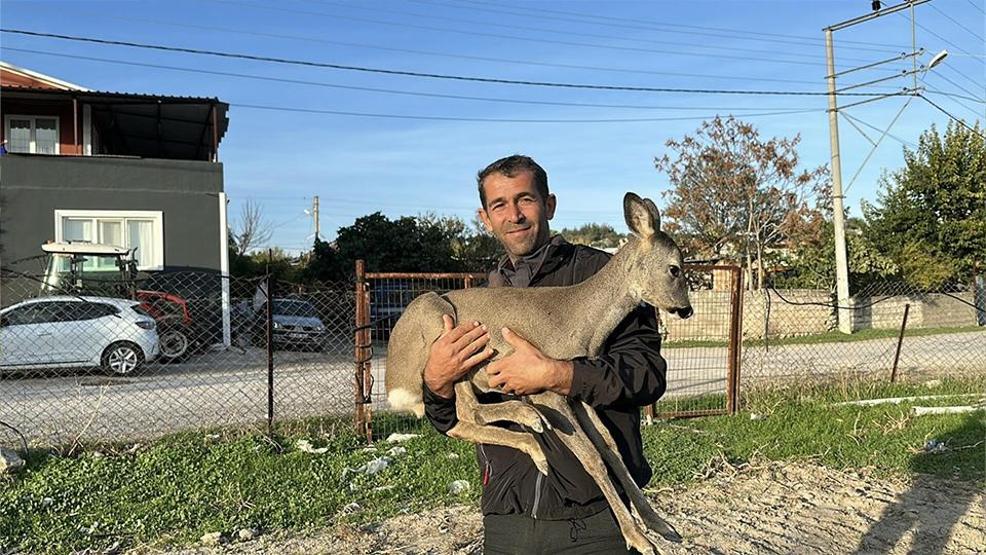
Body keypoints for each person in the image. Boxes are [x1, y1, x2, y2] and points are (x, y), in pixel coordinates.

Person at [422, 154, 668, 554]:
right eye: (499, 205)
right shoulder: (480, 300)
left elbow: (646, 375)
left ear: (549, 204)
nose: (514, 215)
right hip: (507, 516)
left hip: (594, 518)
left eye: (525, 199)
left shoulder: (604, 276)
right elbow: (448, 417)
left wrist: (556, 374)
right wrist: (436, 381)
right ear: (485, 218)